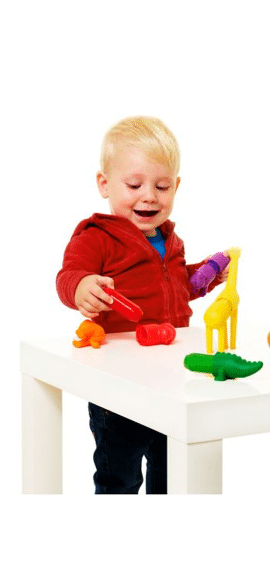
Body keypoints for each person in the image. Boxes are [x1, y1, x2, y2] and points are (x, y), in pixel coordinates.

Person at [56, 116, 227, 494]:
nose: (149, 195)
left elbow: (176, 287)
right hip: (119, 384)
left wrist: (206, 275)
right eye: (134, 185)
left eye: (162, 186)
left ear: (176, 186)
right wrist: (81, 286)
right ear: (104, 184)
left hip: (174, 380)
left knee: (172, 472)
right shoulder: (96, 237)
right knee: (120, 477)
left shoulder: (171, 240)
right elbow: (68, 277)